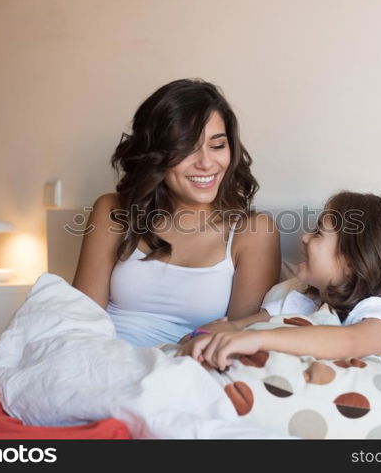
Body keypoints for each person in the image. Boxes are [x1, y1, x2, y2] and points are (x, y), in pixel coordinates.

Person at [72, 79, 281, 347]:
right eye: (187, 149)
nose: (206, 163)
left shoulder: (253, 232)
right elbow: (80, 320)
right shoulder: (113, 211)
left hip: (187, 368)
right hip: (101, 359)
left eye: (217, 146)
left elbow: (238, 342)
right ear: (155, 154)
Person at [177, 191, 381, 373]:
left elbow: (350, 342)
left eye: (318, 233)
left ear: (351, 261)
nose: (305, 238)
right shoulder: (296, 300)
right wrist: (203, 334)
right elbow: (238, 327)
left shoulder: (374, 313)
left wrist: (261, 340)